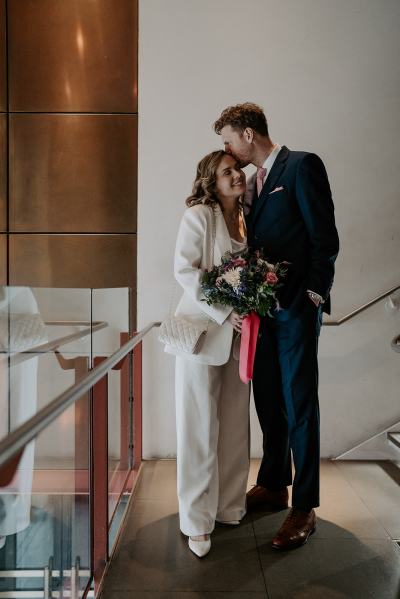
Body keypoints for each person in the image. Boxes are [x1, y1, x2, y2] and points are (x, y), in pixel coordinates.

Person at [214, 103, 339, 550]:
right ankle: (272, 483)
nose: (226, 149)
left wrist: (313, 296)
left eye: (228, 140)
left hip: (296, 312)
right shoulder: (248, 185)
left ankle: (304, 507)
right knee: (267, 398)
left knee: (300, 402)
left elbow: (325, 239)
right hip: (261, 315)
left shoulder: (302, 165)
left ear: (248, 134)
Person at [165, 150, 250, 557]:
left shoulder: (247, 216)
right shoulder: (199, 215)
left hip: (241, 338)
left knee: (236, 424)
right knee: (198, 429)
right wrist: (226, 310)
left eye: (237, 169)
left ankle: (230, 506)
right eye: (226, 172)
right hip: (202, 336)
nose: (236, 175)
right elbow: (185, 271)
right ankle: (196, 520)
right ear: (211, 181)